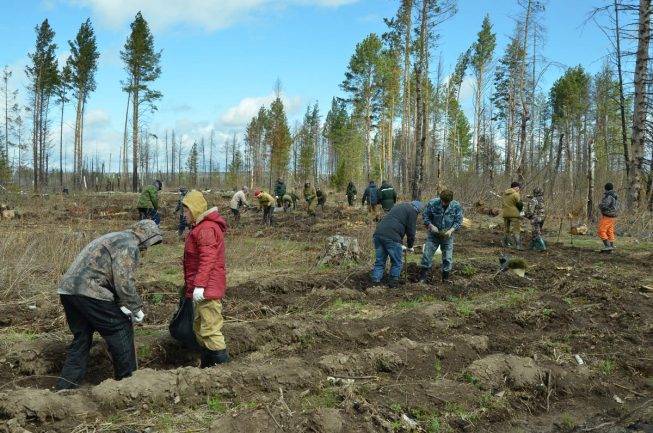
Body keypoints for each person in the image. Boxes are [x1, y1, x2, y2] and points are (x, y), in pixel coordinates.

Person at [56, 220, 163, 390]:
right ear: (146, 237)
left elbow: (106, 273)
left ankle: (66, 385)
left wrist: (120, 304)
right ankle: (127, 382)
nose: (147, 249)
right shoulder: (129, 244)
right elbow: (124, 282)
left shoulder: (115, 237)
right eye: (150, 243)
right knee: (120, 328)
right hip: (91, 292)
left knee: (82, 338)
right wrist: (135, 307)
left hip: (68, 291)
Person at [181, 190, 230, 367]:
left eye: (186, 210)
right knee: (200, 328)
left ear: (194, 209)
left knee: (210, 330)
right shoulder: (200, 228)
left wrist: (200, 285)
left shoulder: (206, 229)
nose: (183, 214)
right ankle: (208, 366)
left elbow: (207, 259)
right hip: (203, 289)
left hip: (207, 290)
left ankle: (222, 371)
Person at [371, 201, 423, 288]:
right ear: (417, 209)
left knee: (380, 261)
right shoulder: (412, 211)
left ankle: (375, 284)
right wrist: (410, 246)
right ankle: (393, 284)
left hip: (378, 234)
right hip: (392, 236)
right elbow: (411, 231)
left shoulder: (399, 206)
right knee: (397, 262)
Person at [418, 189, 463, 283]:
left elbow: (458, 221)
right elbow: (425, 216)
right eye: (442, 201)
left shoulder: (456, 206)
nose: (444, 203)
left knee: (447, 258)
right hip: (433, 235)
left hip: (447, 236)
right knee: (427, 255)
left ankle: (445, 278)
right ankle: (423, 277)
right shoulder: (432, 203)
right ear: (440, 198)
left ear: (450, 201)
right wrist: (431, 225)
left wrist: (451, 230)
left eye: (446, 202)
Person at [501, 181, 524, 249]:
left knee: (506, 229)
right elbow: (520, 204)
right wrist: (520, 211)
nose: (519, 189)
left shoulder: (504, 194)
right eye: (518, 187)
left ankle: (505, 243)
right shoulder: (516, 194)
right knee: (516, 229)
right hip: (514, 214)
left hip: (505, 214)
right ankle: (518, 245)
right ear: (515, 187)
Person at [598, 182, 619, 252]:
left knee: (601, 231)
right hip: (613, 216)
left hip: (607, 216)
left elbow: (605, 205)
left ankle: (607, 246)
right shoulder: (615, 195)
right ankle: (611, 246)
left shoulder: (608, 196)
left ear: (605, 188)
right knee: (610, 231)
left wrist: (600, 205)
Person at [525, 187, 546, 251]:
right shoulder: (542, 199)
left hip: (536, 218)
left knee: (536, 233)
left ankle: (542, 247)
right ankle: (531, 246)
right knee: (535, 232)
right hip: (542, 218)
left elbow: (531, 212)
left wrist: (524, 214)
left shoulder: (533, 200)